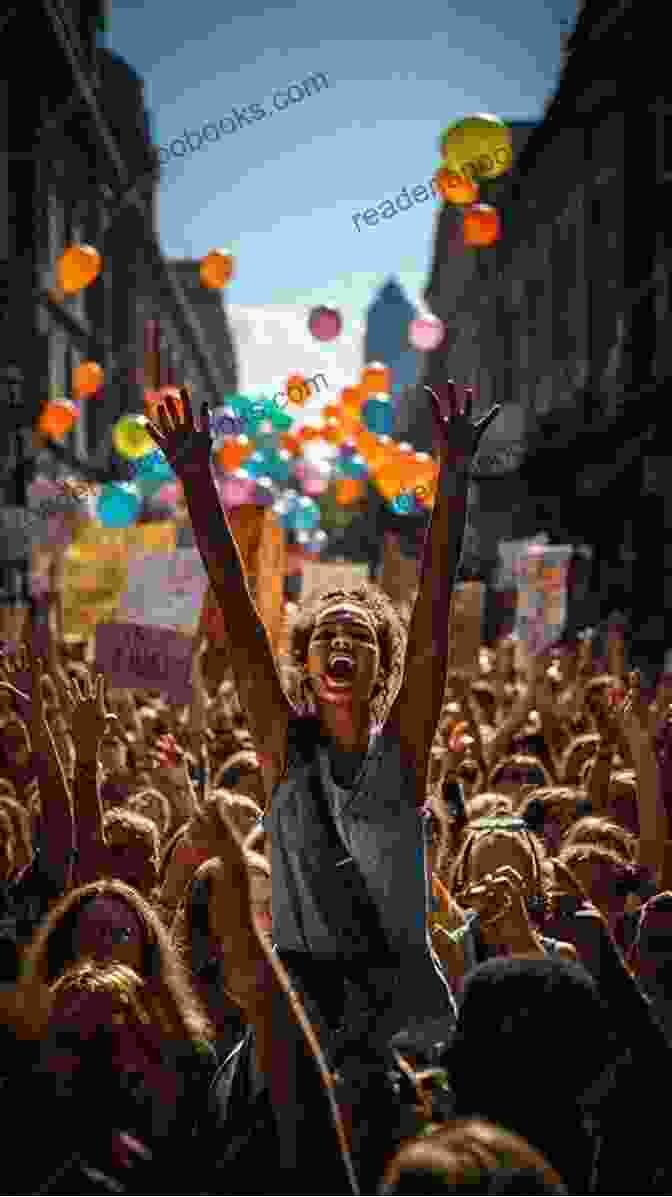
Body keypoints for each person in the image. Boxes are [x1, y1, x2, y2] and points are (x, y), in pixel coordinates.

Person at [146, 382, 500, 1070]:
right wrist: (196, 477)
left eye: (360, 635)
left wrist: (454, 473)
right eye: (326, 634)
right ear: (305, 665)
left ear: (382, 666)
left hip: (404, 1031)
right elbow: (238, 607)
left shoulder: (402, 752)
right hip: (301, 1027)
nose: (342, 641)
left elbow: (430, 618)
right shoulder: (283, 748)